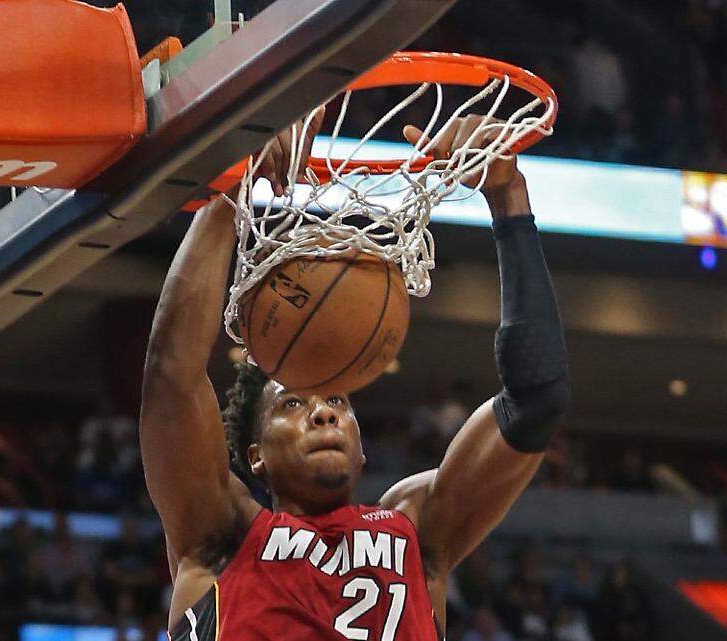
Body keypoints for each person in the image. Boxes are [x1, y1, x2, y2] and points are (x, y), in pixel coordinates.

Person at [140, 111, 570, 641]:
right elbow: (171, 377)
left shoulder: (417, 527)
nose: (324, 411)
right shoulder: (220, 532)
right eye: (292, 405)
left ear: (363, 447)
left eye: (338, 402)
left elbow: (537, 400)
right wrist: (231, 192)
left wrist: (509, 199)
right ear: (256, 456)